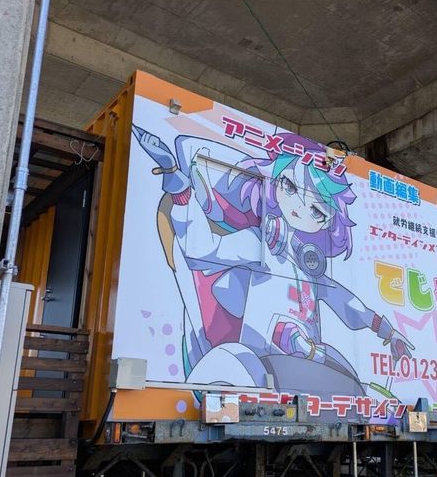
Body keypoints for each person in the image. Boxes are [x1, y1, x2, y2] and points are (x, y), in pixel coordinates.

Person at [132, 124, 415, 400]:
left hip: (304, 372)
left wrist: (387, 332)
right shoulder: (259, 244)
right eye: (288, 186)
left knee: (349, 381)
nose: (299, 207)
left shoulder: (307, 263)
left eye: (317, 211)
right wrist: (177, 184)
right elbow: (202, 248)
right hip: (257, 367)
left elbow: (343, 300)